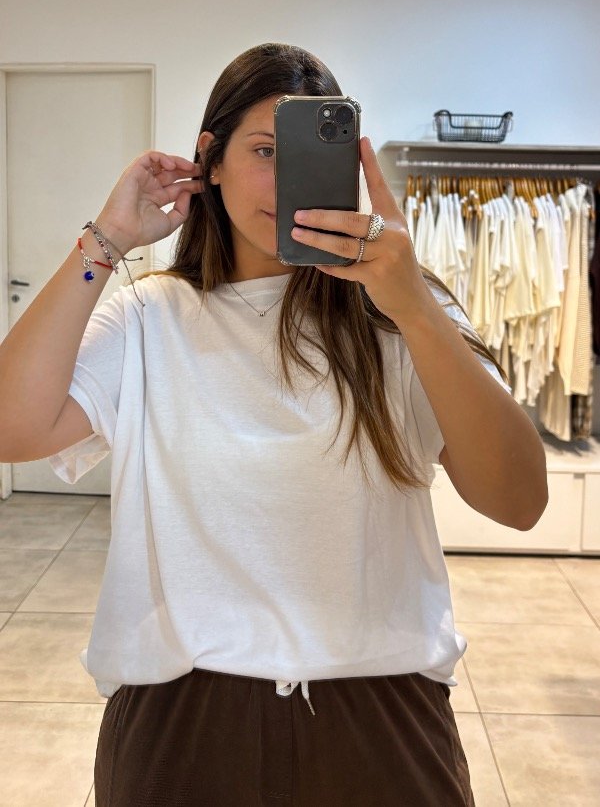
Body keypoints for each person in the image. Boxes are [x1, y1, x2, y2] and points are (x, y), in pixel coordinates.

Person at [0, 42, 548, 807]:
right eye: (265, 151)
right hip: (180, 719)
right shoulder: (150, 317)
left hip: (381, 717)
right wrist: (108, 240)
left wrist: (417, 309)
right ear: (211, 160)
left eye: (312, 154)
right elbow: (13, 429)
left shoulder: (401, 316)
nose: (288, 180)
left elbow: (518, 502)